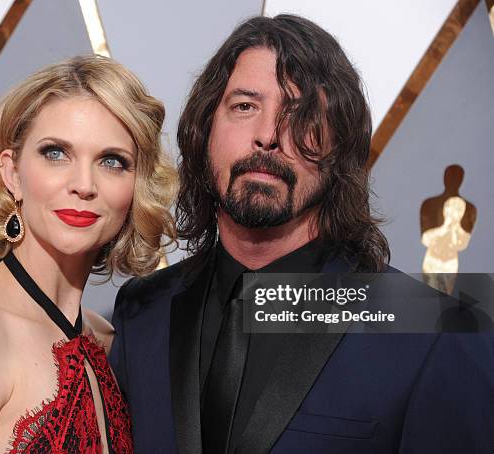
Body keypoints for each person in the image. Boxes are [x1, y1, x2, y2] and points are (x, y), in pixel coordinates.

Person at [109, 15, 494, 453]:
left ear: (340, 145)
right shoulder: (143, 313)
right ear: (205, 131)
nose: (268, 136)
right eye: (244, 106)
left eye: (301, 113)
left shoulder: (437, 334)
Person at [0, 55, 177, 453]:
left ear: (136, 186)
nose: (83, 184)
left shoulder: (108, 341)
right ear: (12, 173)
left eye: (112, 161)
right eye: (56, 153)